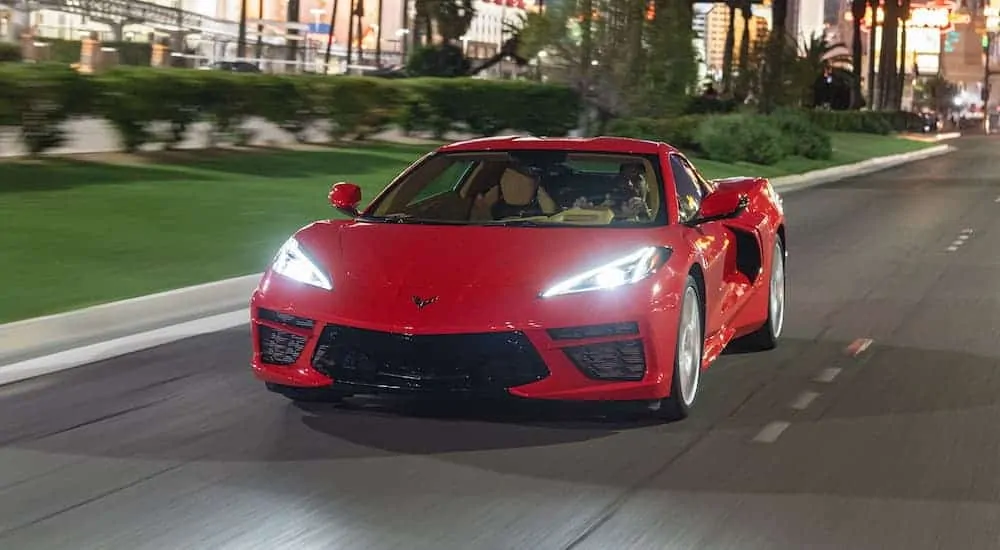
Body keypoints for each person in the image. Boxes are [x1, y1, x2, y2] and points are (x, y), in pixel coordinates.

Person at [571, 162, 651, 220]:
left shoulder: (660, 215)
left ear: (648, 185)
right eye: (624, 180)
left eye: (636, 179)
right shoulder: (602, 205)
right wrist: (581, 211)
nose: (630, 184)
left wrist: (644, 213)